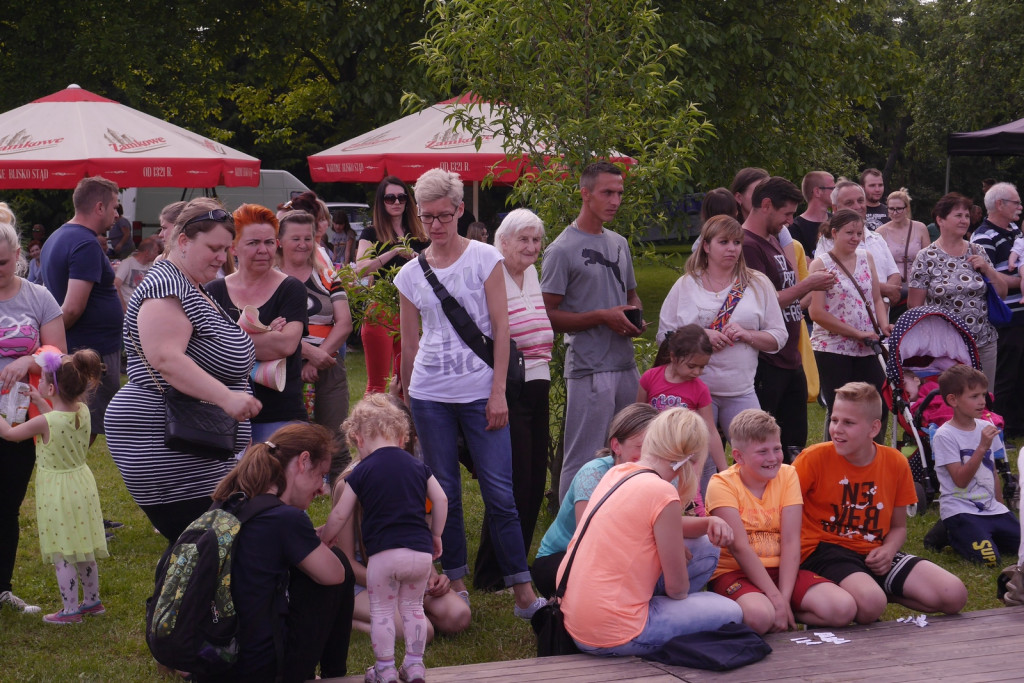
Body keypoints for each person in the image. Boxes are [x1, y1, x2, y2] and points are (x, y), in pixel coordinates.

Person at [395, 168, 545, 619]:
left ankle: (522, 589)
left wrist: (498, 392)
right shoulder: (409, 274)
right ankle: (456, 581)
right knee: (445, 493)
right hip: (429, 393)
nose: (436, 225)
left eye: (444, 215)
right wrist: (405, 402)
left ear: (460, 210)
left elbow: (502, 329)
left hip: (481, 391)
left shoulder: (484, 258)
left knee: (501, 492)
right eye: (427, 217)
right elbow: (409, 343)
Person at [105, 198, 262, 543]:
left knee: (207, 556)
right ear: (184, 241)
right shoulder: (166, 287)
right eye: (215, 248)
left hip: (196, 440)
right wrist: (227, 399)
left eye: (226, 249)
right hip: (170, 441)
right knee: (214, 549)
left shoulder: (190, 285)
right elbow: (166, 359)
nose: (223, 257)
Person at [558, 408, 742, 655]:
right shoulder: (661, 492)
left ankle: (651, 610)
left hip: (576, 618)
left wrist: (707, 523)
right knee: (732, 612)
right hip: (611, 633)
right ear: (691, 458)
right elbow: (678, 589)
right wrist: (673, 559)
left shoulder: (617, 473)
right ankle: (652, 624)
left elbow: (657, 524)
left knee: (705, 546)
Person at [795, 382, 968, 624]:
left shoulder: (895, 462)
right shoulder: (812, 459)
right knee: (871, 606)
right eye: (834, 420)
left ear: (874, 427)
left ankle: (882, 590)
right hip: (826, 550)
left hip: (873, 553)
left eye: (848, 423)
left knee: (954, 595)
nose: (837, 429)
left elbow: (898, 527)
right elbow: (784, 512)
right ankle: (854, 595)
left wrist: (888, 550)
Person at [531, 403, 727, 599]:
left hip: (611, 559)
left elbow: (667, 524)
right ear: (616, 446)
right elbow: (591, 537)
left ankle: (647, 605)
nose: (649, 456)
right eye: (642, 447)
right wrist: (664, 549)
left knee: (703, 547)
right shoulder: (595, 474)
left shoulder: (664, 476)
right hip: (564, 558)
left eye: (656, 447)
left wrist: (708, 523)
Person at [210, 424, 354, 682]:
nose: (321, 488)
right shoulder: (285, 519)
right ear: (303, 461)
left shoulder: (228, 503)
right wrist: (315, 543)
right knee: (339, 563)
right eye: (321, 475)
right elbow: (335, 576)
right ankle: (335, 675)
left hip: (220, 660)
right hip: (262, 668)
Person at [320, 395, 447, 683]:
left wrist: (326, 537)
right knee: (414, 609)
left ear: (358, 440)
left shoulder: (361, 471)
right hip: (420, 556)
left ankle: (385, 668)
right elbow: (441, 499)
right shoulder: (418, 467)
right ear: (402, 437)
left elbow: (340, 515)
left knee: (382, 612)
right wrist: (436, 535)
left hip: (384, 557)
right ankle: (414, 666)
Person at [541, 161, 643, 502]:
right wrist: (602, 316)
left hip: (625, 363)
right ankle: (567, 539)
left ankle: (617, 520)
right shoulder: (562, 249)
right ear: (585, 194)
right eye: (607, 193)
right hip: (588, 366)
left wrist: (633, 318)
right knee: (584, 456)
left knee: (629, 451)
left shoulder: (619, 242)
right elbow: (548, 315)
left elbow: (630, 293)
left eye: (619, 193)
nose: (615, 200)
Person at [706, 409, 856, 634]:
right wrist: (775, 597)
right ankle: (767, 610)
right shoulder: (721, 484)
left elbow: (790, 540)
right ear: (738, 456)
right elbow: (740, 548)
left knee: (843, 608)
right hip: (736, 572)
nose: (773, 458)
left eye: (777, 449)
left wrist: (782, 598)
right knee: (759, 617)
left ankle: (784, 611)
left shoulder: (787, 475)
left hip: (782, 571)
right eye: (762, 451)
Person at [334, 396, 471, 643]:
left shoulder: (410, 473)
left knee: (458, 616)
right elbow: (346, 563)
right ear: (358, 439)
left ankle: (404, 607)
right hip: (365, 581)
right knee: (422, 632)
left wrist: (431, 575)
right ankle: (344, 616)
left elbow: (416, 535)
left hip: (405, 571)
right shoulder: (349, 484)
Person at [473, 209, 554, 592]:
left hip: (539, 383)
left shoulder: (532, 273)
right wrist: (498, 390)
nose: (531, 247)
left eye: (536, 240)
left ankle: (515, 565)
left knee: (535, 479)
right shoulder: (493, 274)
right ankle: (492, 572)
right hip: (511, 386)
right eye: (523, 239)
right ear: (502, 242)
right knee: (514, 481)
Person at [0, 349, 108, 624]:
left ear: (50, 387)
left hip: (58, 492)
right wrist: (40, 401)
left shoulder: (44, 422)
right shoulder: (81, 411)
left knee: (63, 552)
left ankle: (69, 610)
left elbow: (11, 434)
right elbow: (57, 422)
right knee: (83, 546)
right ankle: (92, 601)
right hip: (81, 485)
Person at [0, 219, 66, 615]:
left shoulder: (39, 297)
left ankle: (1, 587)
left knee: (7, 503)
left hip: (19, 417)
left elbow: (60, 355)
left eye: (3, 262)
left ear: (18, 258)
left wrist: (30, 357)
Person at [742, 177, 835, 458]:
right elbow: (765, 302)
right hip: (767, 361)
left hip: (789, 356)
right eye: (787, 214)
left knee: (794, 444)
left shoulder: (771, 241)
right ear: (766, 205)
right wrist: (809, 284)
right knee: (763, 443)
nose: (789, 221)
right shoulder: (748, 246)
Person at [206, 204, 308, 442]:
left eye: (269, 242)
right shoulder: (213, 290)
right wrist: (267, 334)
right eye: (253, 243)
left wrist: (225, 337)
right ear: (233, 247)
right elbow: (204, 348)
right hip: (223, 413)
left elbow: (285, 346)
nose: (263, 250)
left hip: (279, 412)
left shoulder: (291, 288)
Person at [40, 176, 124, 446]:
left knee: (73, 424)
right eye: (114, 206)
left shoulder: (57, 235)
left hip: (82, 348)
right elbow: (73, 307)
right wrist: (49, 339)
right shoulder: (86, 243)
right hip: (89, 353)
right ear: (99, 207)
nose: (117, 213)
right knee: (81, 427)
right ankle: (67, 475)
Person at [277, 210, 352, 483]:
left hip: (328, 365)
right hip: (281, 367)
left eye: (307, 238)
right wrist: (307, 354)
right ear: (279, 242)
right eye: (295, 238)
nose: (302, 244)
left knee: (335, 439)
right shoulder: (269, 278)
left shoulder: (326, 275)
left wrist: (321, 356)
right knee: (286, 439)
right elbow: (262, 327)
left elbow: (344, 323)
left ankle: (342, 501)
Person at [909, 192, 1005, 391]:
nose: (964, 220)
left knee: (983, 399)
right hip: (946, 347)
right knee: (952, 400)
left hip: (984, 341)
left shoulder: (977, 250)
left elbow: (1002, 293)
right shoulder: (926, 256)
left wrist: (987, 269)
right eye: (958, 215)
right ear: (940, 220)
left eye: (967, 216)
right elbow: (914, 306)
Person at [808, 209, 890, 432]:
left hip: (867, 345)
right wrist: (856, 334)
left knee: (878, 405)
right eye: (849, 233)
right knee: (841, 410)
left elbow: (875, 298)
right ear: (834, 233)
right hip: (833, 348)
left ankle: (870, 452)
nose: (855, 238)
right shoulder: (821, 265)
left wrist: (883, 325)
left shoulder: (866, 258)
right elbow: (816, 313)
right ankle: (835, 456)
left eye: (859, 233)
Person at [931, 365, 1020, 565]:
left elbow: (993, 472)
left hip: (990, 507)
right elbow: (960, 480)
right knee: (989, 560)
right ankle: (947, 530)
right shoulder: (945, 436)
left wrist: (1000, 507)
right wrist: (981, 448)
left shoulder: (987, 427)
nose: (982, 402)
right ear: (953, 400)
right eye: (974, 396)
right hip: (960, 507)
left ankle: (983, 531)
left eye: (983, 395)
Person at [356, 177, 429, 394]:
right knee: (378, 383)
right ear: (381, 201)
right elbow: (361, 269)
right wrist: (395, 251)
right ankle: (370, 426)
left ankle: (407, 426)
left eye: (402, 197)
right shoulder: (371, 233)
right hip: (381, 308)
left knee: (409, 379)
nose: (396, 202)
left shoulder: (420, 234)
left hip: (414, 310)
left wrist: (416, 256)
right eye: (390, 198)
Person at [638, 325, 727, 494]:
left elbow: (711, 431)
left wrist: (723, 470)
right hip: (653, 452)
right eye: (692, 366)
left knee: (683, 500)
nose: (697, 372)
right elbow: (638, 416)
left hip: (683, 459)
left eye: (702, 367)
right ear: (673, 357)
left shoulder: (700, 389)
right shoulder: (650, 378)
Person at [970, 182, 1024, 435]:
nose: (1020, 207)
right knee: (1005, 375)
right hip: (1006, 317)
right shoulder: (983, 237)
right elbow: (993, 282)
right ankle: (1000, 426)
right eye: (1016, 202)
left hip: (1021, 315)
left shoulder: (1016, 231)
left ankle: (1017, 425)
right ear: (1000, 205)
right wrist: (1020, 282)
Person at [826, 180, 903, 303]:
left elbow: (894, 274)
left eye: (860, 200)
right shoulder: (828, 241)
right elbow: (841, 282)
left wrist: (885, 302)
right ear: (835, 209)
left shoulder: (877, 238)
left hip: (882, 317)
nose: (857, 206)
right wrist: (885, 290)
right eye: (849, 202)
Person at [732, 167, 798, 269]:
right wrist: (809, 284)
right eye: (757, 191)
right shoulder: (742, 242)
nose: (790, 221)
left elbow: (792, 278)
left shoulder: (774, 233)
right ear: (739, 197)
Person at [877, 189, 930, 286]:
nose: (895, 212)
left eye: (899, 208)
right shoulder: (880, 232)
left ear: (907, 208)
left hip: (917, 283)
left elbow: (928, 259)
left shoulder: (920, 228)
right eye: (891, 209)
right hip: (892, 285)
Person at [790, 171, 835, 260]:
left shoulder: (837, 221)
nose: (837, 193)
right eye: (833, 188)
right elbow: (805, 264)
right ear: (817, 192)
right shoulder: (795, 228)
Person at [113, 237, 160, 310]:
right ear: (147, 252)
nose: (157, 255)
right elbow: (116, 285)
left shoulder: (152, 265)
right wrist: (123, 307)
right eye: (156, 252)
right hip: (130, 309)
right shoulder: (127, 263)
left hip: (145, 309)